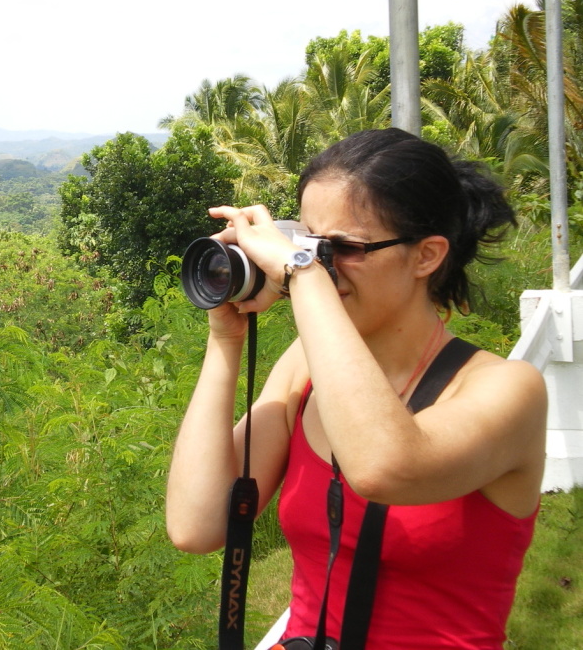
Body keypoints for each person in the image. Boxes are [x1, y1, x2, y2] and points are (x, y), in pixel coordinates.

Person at [165, 128, 547, 649]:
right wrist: (225, 340)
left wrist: (300, 273)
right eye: (308, 243)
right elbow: (197, 524)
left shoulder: (507, 389)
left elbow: (384, 465)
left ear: (426, 256)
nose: (320, 264)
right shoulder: (303, 370)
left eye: (343, 247)